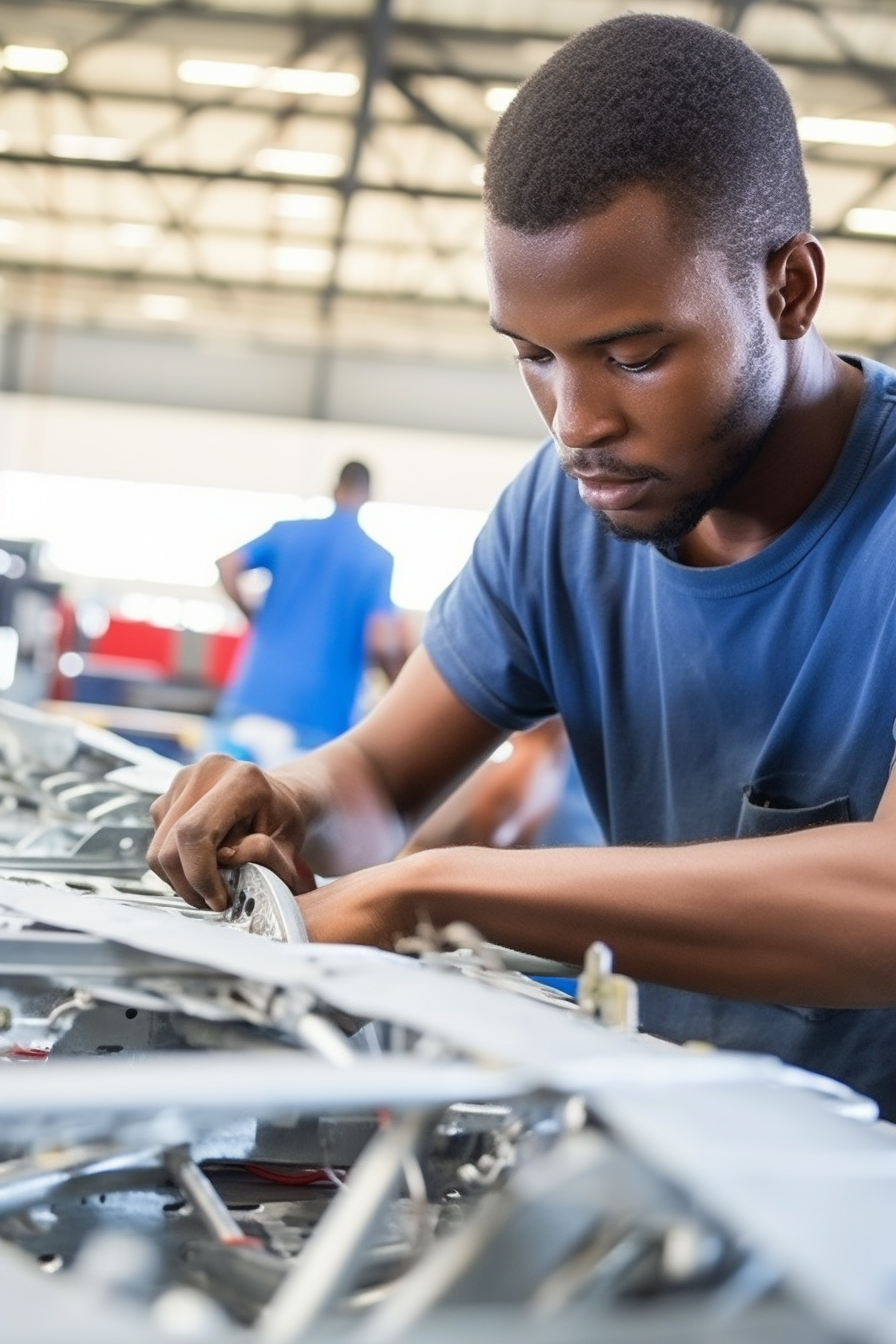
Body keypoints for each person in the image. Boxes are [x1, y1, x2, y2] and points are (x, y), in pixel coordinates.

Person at [149, 15, 896, 1117]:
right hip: (699, 1162)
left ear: (788, 288)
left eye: (634, 357)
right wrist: (287, 800)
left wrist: (426, 893)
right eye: (533, 358)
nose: (574, 423)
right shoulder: (565, 513)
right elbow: (371, 785)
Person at [210, 460, 406, 765]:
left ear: (333, 489)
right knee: (292, 811)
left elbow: (228, 565)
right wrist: (401, 687)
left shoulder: (287, 533)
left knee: (214, 805)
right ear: (368, 495)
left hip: (251, 700)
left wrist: (253, 616)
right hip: (318, 722)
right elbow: (382, 641)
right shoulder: (376, 560)